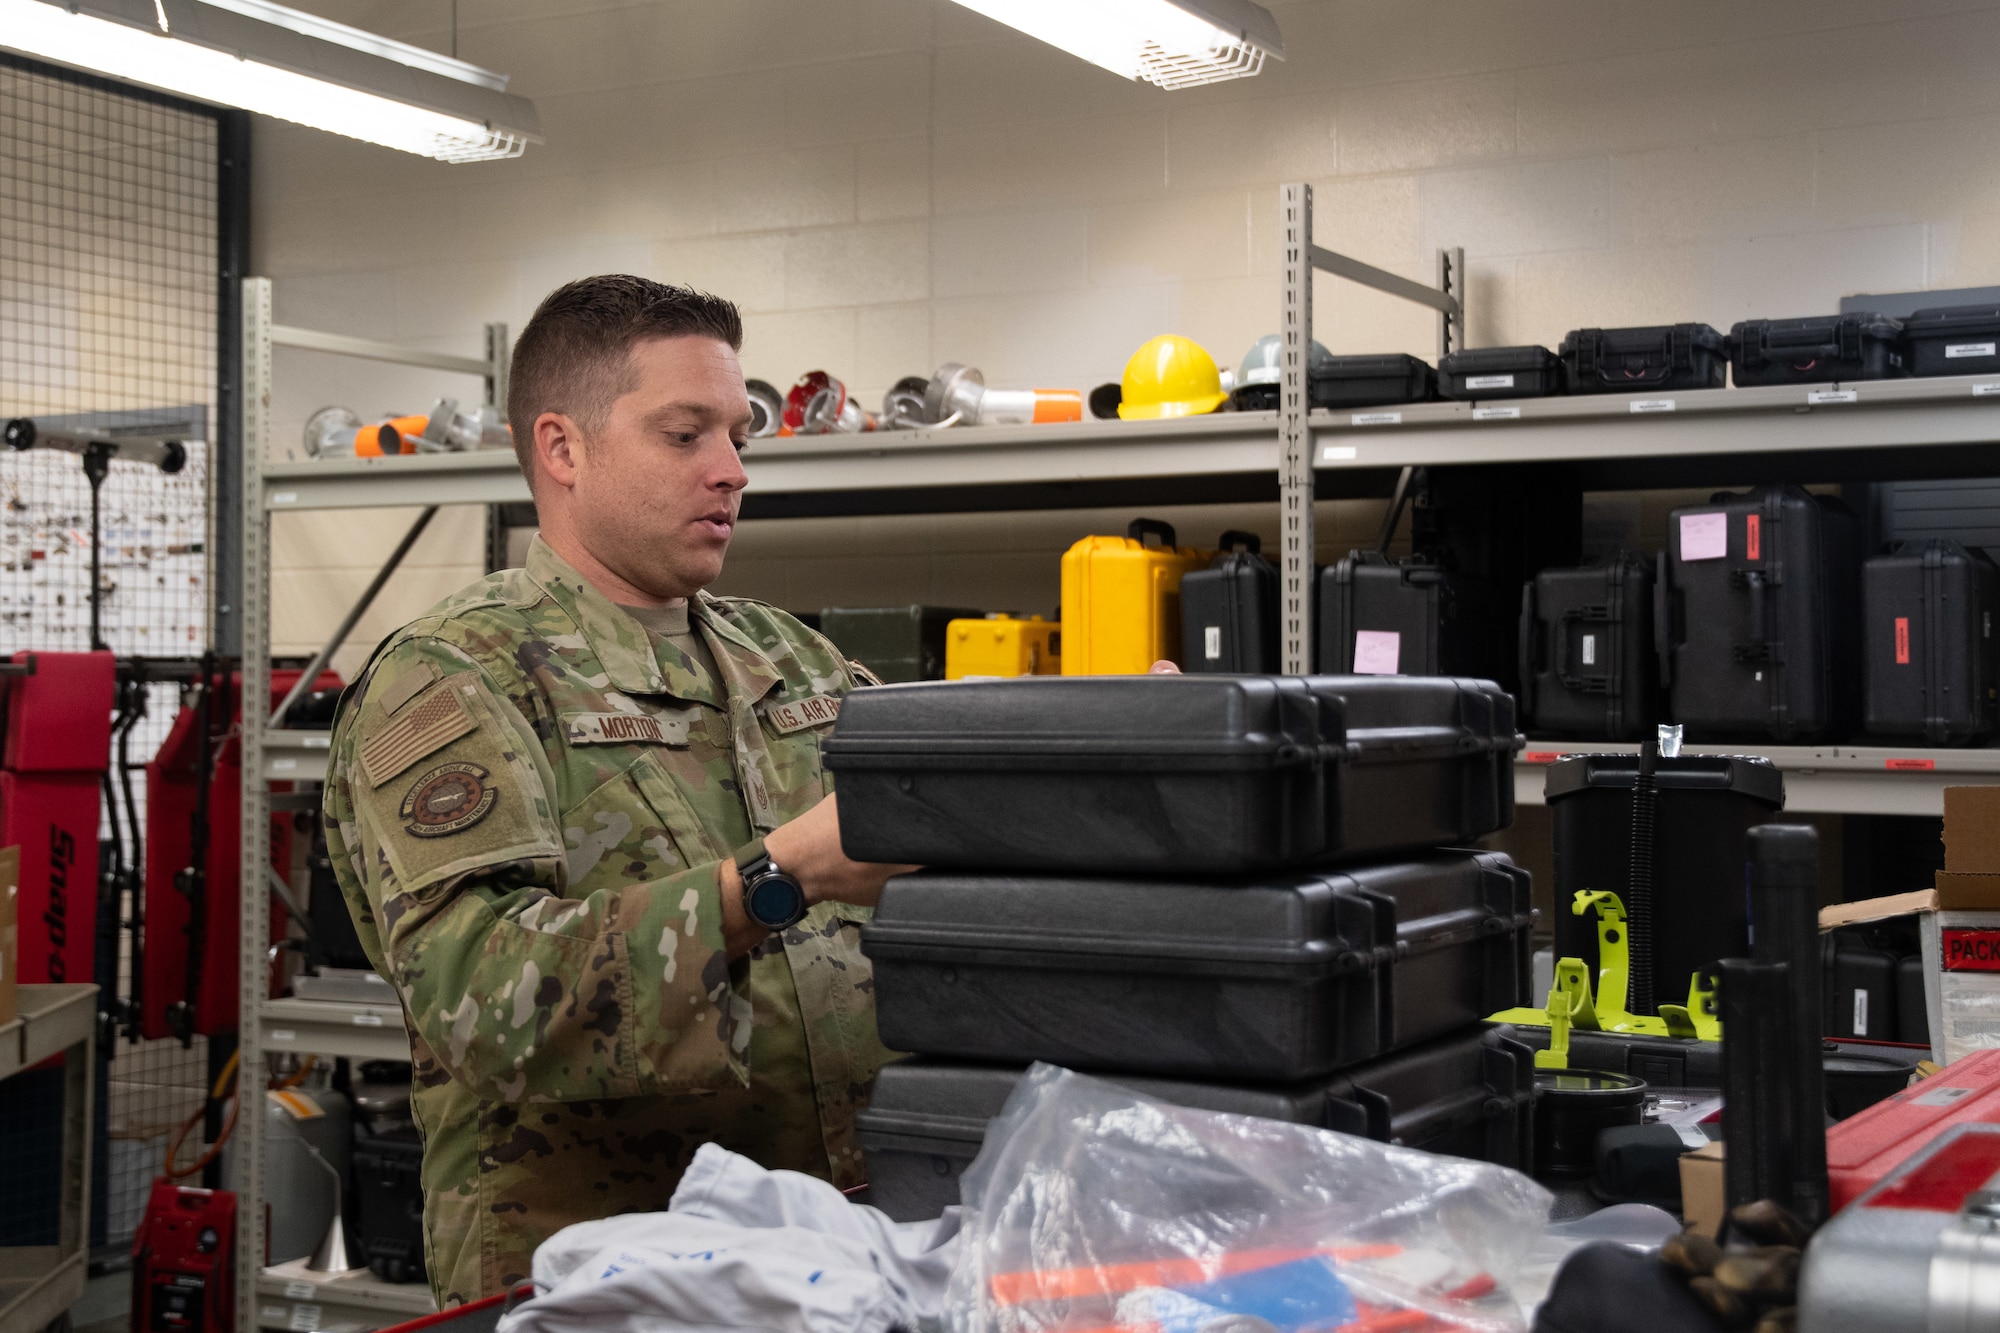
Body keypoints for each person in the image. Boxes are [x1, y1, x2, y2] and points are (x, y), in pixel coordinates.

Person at [322, 274, 912, 1305]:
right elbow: (476, 996)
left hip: (831, 1251)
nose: (731, 471)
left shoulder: (793, 660)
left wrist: (1097, 745)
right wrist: (781, 876)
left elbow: (945, 814)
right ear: (562, 448)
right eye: (686, 435)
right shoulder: (459, 676)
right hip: (593, 1278)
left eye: (738, 436)